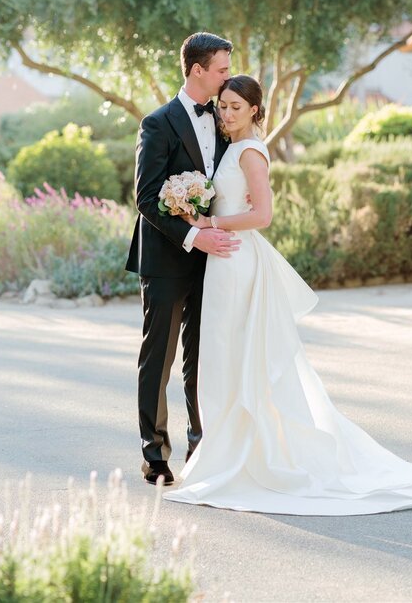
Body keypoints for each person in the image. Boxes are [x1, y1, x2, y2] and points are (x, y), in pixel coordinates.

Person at [161, 74, 412, 514]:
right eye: (222, 105)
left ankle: (248, 460)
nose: (225, 113)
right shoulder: (231, 148)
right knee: (222, 359)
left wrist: (210, 225)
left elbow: (262, 215)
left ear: (255, 112)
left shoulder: (249, 152)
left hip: (238, 258)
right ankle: (226, 457)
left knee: (240, 358)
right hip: (224, 262)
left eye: (235, 107)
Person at [126, 32, 242, 487]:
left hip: (215, 261)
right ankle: (154, 456)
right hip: (167, 258)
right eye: (221, 70)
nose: (227, 77)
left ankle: (201, 448)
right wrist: (194, 234)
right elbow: (147, 197)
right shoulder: (157, 123)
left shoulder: (224, 118)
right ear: (197, 70)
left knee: (203, 357)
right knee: (159, 357)